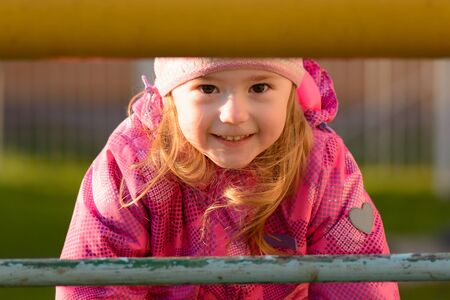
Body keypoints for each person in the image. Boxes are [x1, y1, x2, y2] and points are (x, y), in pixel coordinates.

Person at [56, 58, 400, 299]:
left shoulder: (320, 166)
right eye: (208, 88)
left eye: (260, 87)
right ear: (171, 95)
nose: (234, 114)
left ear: (292, 90)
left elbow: (358, 285)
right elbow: (93, 287)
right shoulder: (134, 164)